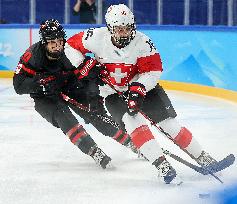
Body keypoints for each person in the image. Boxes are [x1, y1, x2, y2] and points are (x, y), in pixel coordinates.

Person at [64, 4, 218, 184]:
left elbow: (153, 70)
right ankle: (162, 166)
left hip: (145, 90)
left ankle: (202, 156)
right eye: (119, 29)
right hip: (112, 94)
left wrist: (138, 89)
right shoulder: (95, 37)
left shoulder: (143, 43)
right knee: (133, 123)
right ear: (110, 28)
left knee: (169, 125)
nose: (124, 33)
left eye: (127, 28)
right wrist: (84, 66)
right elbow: (69, 47)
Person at [13, 19, 116, 169]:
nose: (57, 46)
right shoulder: (32, 57)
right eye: (52, 42)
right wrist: (40, 86)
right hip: (45, 97)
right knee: (65, 117)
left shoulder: (70, 52)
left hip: (70, 86)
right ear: (44, 42)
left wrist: (94, 99)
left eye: (60, 41)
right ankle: (93, 151)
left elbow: (89, 77)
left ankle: (131, 141)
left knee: (96, 115)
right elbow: (18, 85)